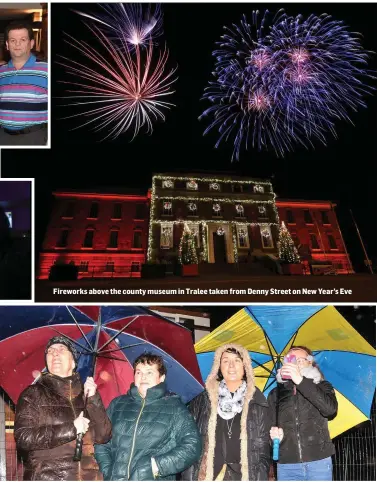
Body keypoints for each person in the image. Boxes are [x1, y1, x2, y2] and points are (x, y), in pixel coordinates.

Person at [14, 336, 112, 480]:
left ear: (73, 362)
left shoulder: (85, 397)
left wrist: (93, 399)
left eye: (61, 349)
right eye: (50, 351)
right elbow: (24, 437)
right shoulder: (33, 393)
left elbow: (104, 436)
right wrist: (71, 429)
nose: (55, 354)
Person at [94, 353, 202, 480]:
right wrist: (107, 471)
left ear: (162, 377)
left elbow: (192, 446)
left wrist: (155, 466)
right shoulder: (118, 404)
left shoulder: (175, 408)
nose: (143, 376)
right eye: (138, 372)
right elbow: (101, 441)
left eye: (149, 372)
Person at [181, 344, 272, 481]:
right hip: (209, 475)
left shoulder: (258, 401)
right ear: (218, 366)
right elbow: (190, 441)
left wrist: (260, 476)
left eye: (237, 360)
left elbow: (263, 448)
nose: (231, 366)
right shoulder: (202, 400)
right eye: (225, 360)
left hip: (245, 475)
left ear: (245, 366)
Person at [268, 346, 338, 481]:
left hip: (319, 462)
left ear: (310, 362)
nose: (296, 363)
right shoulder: (275, 394)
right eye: (291, 360)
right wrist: (274, 437)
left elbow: (330, 410)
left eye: (300, 359)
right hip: (287, 465)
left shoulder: (322, 386)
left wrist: (300, 381)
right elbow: (268, 429)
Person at [0, 20, 48, 145]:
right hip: (3, 136)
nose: (17, 44)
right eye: (12, 40)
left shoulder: (46, 70)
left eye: (23, 39)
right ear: (7, 44)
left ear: (31, 43)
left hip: (34, 137)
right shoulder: (1, 71)